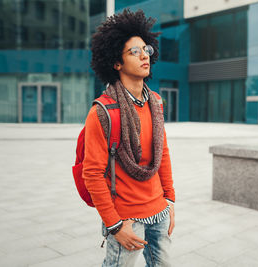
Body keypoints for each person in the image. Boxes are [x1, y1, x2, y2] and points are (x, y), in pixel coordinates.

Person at [83, 9, 175, 267]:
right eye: (134, 51)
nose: (144, 55)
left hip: (159, 210)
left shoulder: (155, 102)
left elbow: (163, 153)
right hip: (126, 218)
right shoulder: (102, 112)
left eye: (146, 49)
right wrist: (114, 225)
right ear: (116, 62)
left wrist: (170, 201)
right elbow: (92, 174)